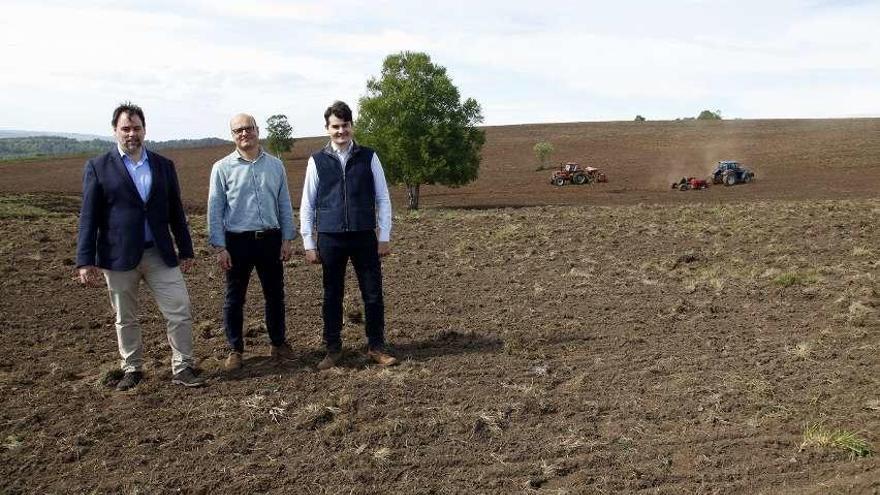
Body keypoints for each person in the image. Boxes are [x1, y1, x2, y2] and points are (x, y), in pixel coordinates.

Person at [76, 102, 204, 391]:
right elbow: (89, 217)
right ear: (115, 131)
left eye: (136, 128)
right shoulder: (98, 167)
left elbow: (175, 212)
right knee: (125, 317)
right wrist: (85, 260)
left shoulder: (163, 165)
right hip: (118, 257)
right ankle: (132, 368)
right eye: (125, 128)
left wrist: (186, 250)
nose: (131, 134)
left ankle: (183, 366)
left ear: (144, 130)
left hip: (159, 253)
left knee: (179, 309)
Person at [300, 101, 397, 370]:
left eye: (345, 125)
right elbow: (307, 203)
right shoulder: (317, 160)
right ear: (327, 128)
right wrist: (309, 241)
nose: (340, 131)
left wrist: (384, 235)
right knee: (332, 295)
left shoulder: (369, 157)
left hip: (364, 235)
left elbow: (383, 198)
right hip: (330, 237)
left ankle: (376, 346)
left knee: (373, 294)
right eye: (335, 126)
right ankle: (333, 349)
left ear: (352, 126)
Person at [208, 113, 296, 371]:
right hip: (237, 242)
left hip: (270, 239)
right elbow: (215, 209)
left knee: (275, 295)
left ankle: (278, 343)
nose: (244, 134)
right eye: (238, 130)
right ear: (232, 135)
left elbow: (283, 203)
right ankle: (235, 349)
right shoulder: (222, 168)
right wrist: (220, 246)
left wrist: (287, 238)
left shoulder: (275, 165)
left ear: (257, 130)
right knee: (234, 298)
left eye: (248, 128)